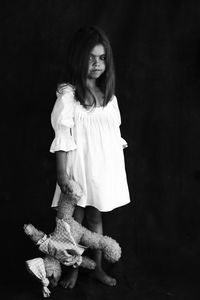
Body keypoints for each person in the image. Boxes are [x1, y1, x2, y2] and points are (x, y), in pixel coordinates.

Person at [50, 26, 130, 288]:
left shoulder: (108, 96)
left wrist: (113, 172)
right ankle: (73, 269)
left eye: (102, 58)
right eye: (91, 57)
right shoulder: (69, 96)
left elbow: (111, 137)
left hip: (100, 170)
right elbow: (62, 138)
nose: (98, 64)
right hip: (78, 168)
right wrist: (62, 174)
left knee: (96, 219)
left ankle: (96, 267)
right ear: (78, 57)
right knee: (75, 221)